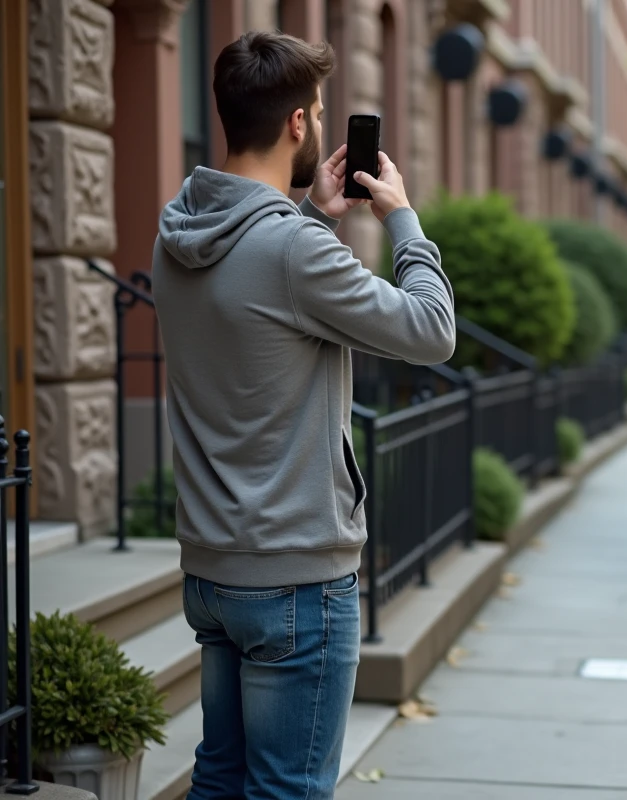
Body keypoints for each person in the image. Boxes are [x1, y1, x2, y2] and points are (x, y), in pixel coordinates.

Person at [152, 31, 455, 800]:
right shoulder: (290, 252)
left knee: (219, 779)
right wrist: (404, 220)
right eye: (317, 112)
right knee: (288, 790)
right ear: (297, 124)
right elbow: (432, 332)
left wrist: (314, 219)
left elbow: (261, 319)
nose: (320, 126)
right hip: (294, 580)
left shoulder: (177, 232)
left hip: (213, 572)